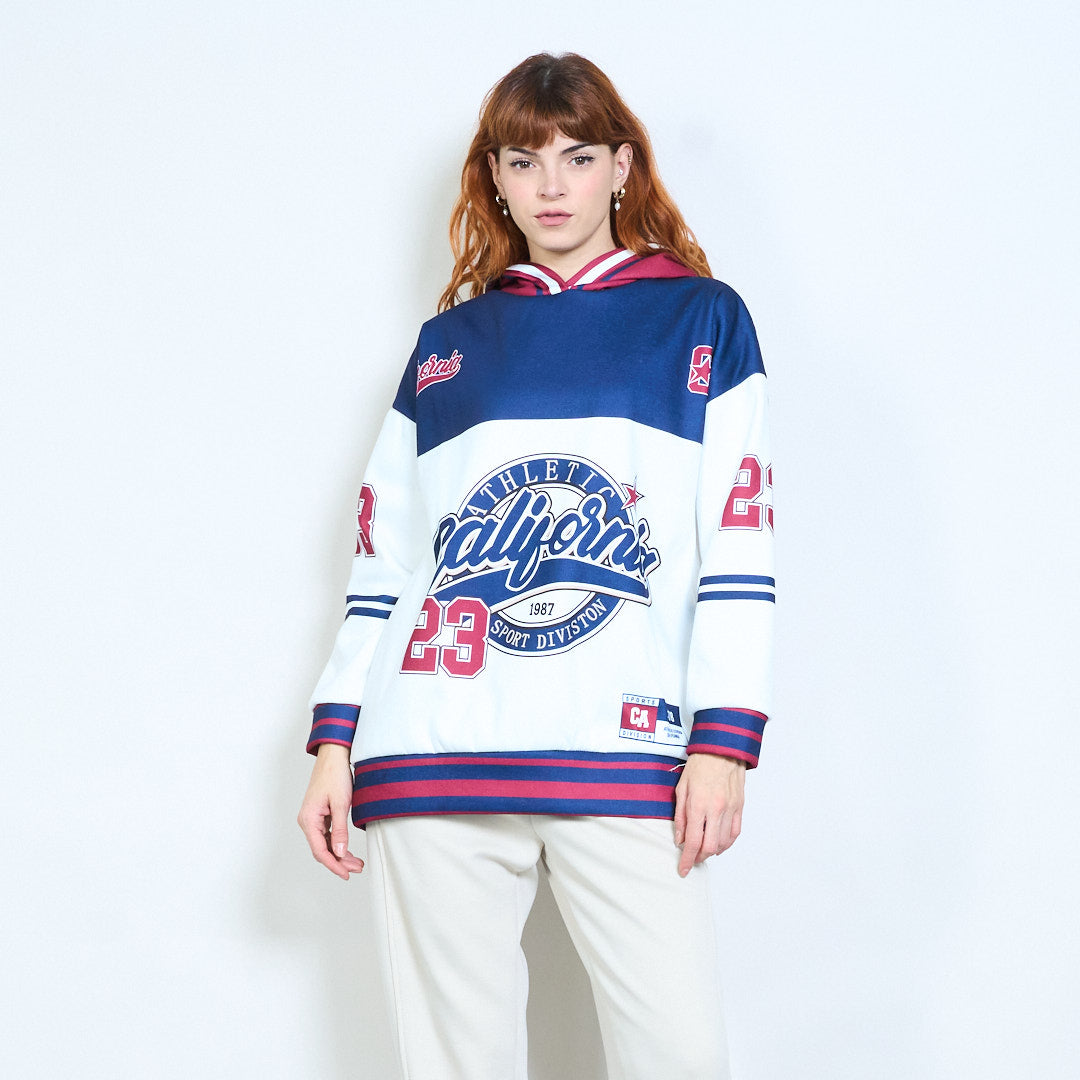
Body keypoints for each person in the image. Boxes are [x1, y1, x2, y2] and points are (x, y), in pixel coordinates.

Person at [298, 52, 773, 1080]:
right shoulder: (448, 347)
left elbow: (740, 544)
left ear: (621, 166)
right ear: (496, 178)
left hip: (627, 750)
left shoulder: (700, 320)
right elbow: (385, 563)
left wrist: (724, 739)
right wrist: (335, 741)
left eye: (577, 156)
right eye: (524, 161)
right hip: (433, 750)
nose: (551, 185)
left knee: (681, 1056)